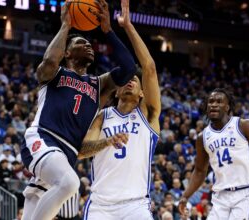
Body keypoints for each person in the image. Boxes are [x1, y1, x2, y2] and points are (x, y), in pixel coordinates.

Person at [20, 0, 137, 219]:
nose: (88, 46)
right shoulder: (54, 73)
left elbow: (129, 68)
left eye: (89, 44)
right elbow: (49, 59)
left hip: (67, 156)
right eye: (81, 42)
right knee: (70, 183)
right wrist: (65, 25)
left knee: (62, 201)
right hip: (43, 139)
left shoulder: (99, 85)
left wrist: (108, 31)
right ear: (67, 52)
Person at [79, 0, 161, 218]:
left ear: (142, 92)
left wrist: (127, 27)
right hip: (100, 205)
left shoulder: (148, 115)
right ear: (115, 92)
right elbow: (82, 151)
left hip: (135, 205)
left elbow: (150, 68)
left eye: (135, 80)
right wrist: (108, 141)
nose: (130, 81)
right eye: (126, 79)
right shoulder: (102, 116)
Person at [178, 88, 249, 219]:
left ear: (227, 107)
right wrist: (185, 196)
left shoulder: (244, 126)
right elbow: (200, 171)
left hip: (246, 192)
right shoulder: (203, 137)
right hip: (220, 197)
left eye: (219, 102)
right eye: (211, 102)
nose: (213, 104)